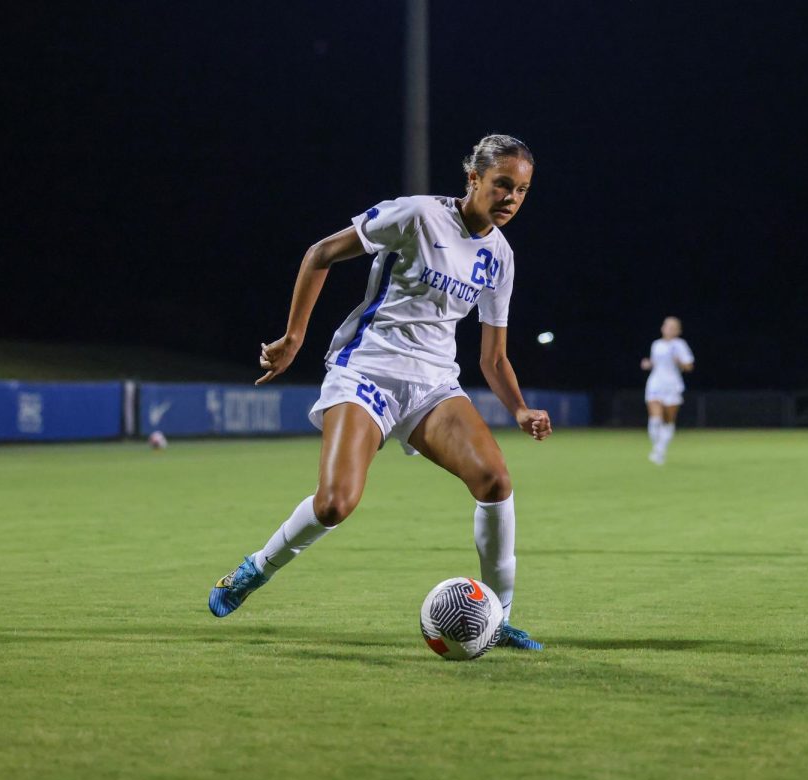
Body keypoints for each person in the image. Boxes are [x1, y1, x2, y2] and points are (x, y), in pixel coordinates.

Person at [208, 134, 552, 650]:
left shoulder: (500, 257)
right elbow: (320, 253)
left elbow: (493, 357)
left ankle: (497, 618)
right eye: (502, 184)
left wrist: (520, 408)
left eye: (521, 191)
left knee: (495, 480)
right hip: (367, 369)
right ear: (473, 178)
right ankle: (255, 569)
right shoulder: (416, 215)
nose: (510, 198)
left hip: (433, 383)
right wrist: (294, 338)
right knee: (335, 504)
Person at [640, 317, 694, 465]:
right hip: (655, 384)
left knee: (668, 421)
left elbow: (689, 366)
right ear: (662, 328)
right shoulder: (656, 345)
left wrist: (681, 362)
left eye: (673, 327)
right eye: (666, 326)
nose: (669, 329)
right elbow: (656, 363)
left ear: (678, 331)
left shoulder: (680, 345)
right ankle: (657, 448)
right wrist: (648, 364)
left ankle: (660, 451)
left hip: (672, 386)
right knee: (655, 419)